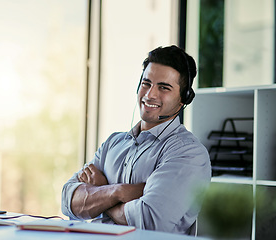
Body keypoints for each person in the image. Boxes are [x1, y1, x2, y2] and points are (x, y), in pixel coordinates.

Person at [61, 45, 211, 235]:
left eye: (164, 88)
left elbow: (149, 221)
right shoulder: (113, 143)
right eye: (146, 83)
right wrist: (118, 191)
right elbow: (68, 201)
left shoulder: (187, 153)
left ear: (184, 98)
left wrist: (100, 191)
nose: (150, 94)